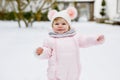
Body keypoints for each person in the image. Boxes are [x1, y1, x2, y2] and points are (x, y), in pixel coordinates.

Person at [35, 7, 105, 80]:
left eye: (63, 23)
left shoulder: (75, 37)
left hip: (72, 72)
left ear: (69, 26)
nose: (60, 25)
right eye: (56, 23)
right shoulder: (50, 40)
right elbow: (47, 52)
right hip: (56, 73)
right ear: (52, 26)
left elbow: (85, 40)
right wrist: (42, 52)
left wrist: (95, 39)